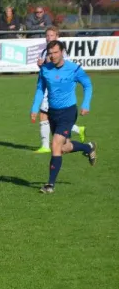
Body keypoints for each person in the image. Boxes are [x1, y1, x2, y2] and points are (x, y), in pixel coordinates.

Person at [30, 40, 97, 194]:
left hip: (68, 112)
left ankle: (50, 185)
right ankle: (88, 147)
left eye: (55, 52)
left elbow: (87, 84)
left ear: (62, 52)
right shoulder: (45, 70)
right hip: (53, 112)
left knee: (55, 145)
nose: (52, 56)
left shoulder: (74, 69)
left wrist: (86, 104)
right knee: (63, 147)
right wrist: (34, 108)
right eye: (50, 53)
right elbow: (40, 89)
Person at [34, 26, 86, 153]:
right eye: (47, 35)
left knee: (45, 114)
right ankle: (77, 131)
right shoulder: (46, 51)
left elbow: (60, 69)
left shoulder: (61, 51)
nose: (48, 38)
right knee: (50, 118)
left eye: (51, 35)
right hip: (48, 86)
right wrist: (41, 66)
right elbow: (46, 71)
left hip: (57, 90)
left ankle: (46, 146)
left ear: (57, 36)